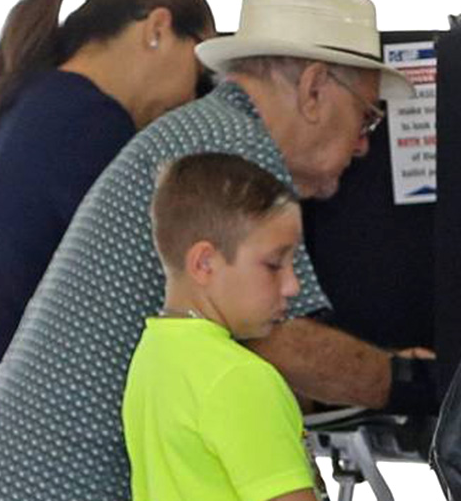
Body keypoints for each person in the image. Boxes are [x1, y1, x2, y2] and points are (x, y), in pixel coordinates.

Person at [0, 0, 420, 501]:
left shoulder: (204, 131)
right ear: (313, 88)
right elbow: (282, 339)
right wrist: (418, 382)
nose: (365, 142)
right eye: (367, 115)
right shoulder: (231, 151)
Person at [0, 0, 215, 501]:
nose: (194, 96)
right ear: (158, 29)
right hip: (3, 458)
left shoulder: (37, 104)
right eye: (200, 63)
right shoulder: (90, 127)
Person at [123, 153, 316, 501]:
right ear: (204, 263)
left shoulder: (153, 354)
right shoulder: (240, 376)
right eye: (274, 264)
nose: (293, 286)